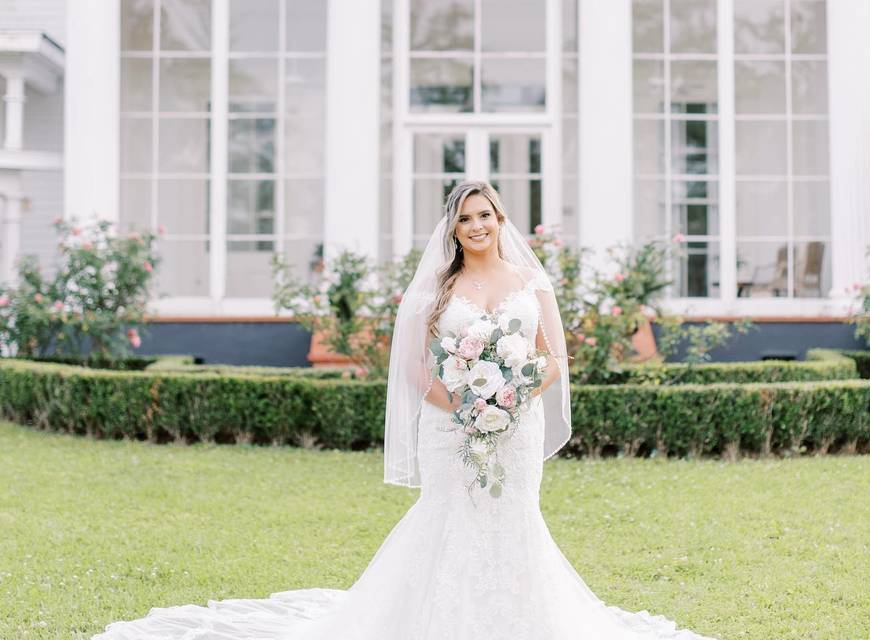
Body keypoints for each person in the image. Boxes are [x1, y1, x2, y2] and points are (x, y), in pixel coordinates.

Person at [93, 181, 715, 639]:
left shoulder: (533, 283)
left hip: (515, 427)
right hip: (452, 425)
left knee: (512, 517)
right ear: (452, 229)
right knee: (448, 518)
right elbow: (416, 368)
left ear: (501, 219)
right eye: (465, 219)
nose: (477, 227)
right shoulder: (436, 290)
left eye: (485, 215)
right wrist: (467, 406)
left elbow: (553, 356)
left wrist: (510, 396)